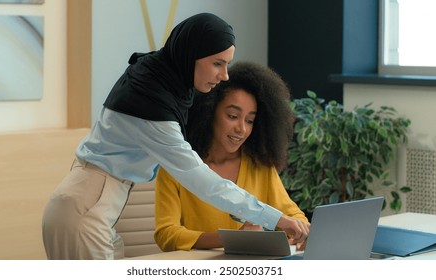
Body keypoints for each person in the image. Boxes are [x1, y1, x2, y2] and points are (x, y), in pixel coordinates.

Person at [42, 13, 308, 260]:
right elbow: (203, 182)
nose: (224, 75)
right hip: (87, 209)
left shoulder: (154, 77)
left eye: (227, 64)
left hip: (92, 203)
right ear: (191, 55)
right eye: (217, 63)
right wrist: (275, 219)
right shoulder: (152, 106)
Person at [154, 61, 309, 252]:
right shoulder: (176, 168)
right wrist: (231, 239)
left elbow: (292, 215)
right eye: (233, 116)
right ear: (209, 112)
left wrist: (300, 229)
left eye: (250, 120)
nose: (242, 129)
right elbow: (166, 234)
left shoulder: (259, 165)